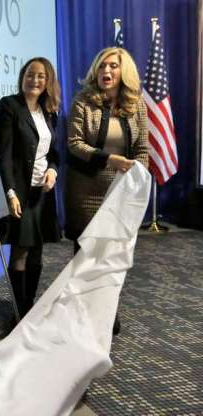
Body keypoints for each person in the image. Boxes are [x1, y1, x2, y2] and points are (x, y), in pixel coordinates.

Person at [65, 47, 149, 335]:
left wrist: (138, 176)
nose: (106, 72)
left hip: (120, 194)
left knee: (112, 256)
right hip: (85, 191)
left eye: (112, 66)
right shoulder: (83, 101)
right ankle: (81, 314)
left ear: (123, 71)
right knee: (86, 254)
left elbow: (141, 148)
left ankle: (107, 308)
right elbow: (74, 144)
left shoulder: (137, 105)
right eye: (102, 66)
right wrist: (110, 159)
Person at [0, 57, 62, 321]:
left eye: (41, 76)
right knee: (20, 251)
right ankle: (18, 312)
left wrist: (53, 172)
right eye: (30, 75)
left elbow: (54, 153)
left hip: (42, 195)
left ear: (48, 82)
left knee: (38, 251)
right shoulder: (9, 106)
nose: (35, 80)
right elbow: (4, 154)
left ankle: (28, 305)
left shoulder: (49, 111)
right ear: (23, 77)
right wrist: (9, 192)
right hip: (19, 194)